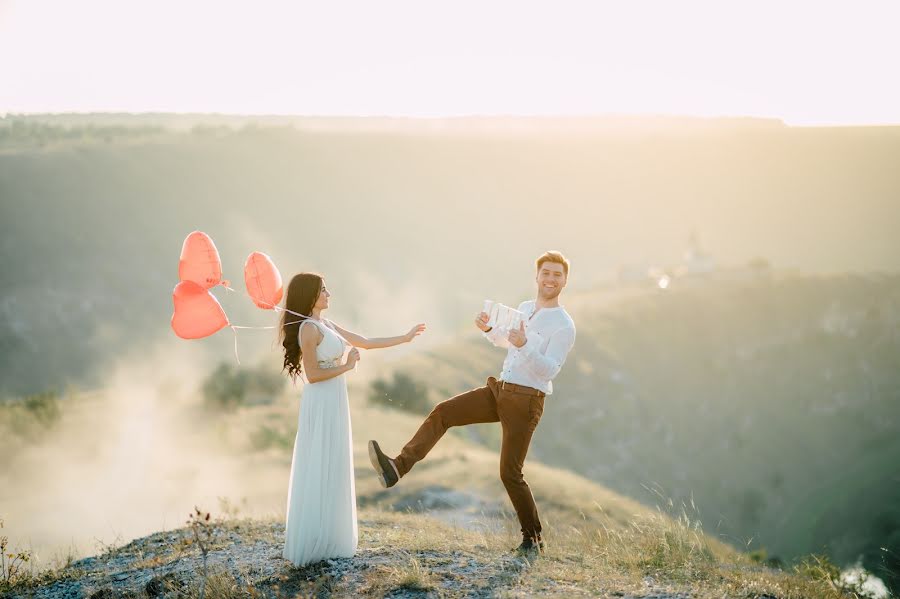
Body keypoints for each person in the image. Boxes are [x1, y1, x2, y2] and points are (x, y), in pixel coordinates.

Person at [367, 251, 576, 555]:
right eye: (546, 272)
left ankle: (534, 539)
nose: (550, 279)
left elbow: (550, 369)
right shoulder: (526, 308)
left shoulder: (564, 325)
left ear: (565, 281)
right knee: (444, 412)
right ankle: (397, 468)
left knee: (510, 474)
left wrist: (525, 344)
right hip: (501, 390)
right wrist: (491, 330)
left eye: (557, 274)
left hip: (527, 399)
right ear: (537, 276)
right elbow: (510, 343)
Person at [278, 272, 426, 566]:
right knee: (321, 459)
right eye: (323, 290)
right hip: (321, 402)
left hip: (334, 399)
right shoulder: (309, 329)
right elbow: (313, 375)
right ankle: (315, 541)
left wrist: (405, 337)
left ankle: (331, 536)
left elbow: (366, 342)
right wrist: (346, 367)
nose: (328, 293)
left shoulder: (326, 324)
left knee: (333, 460)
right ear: (310, 295)